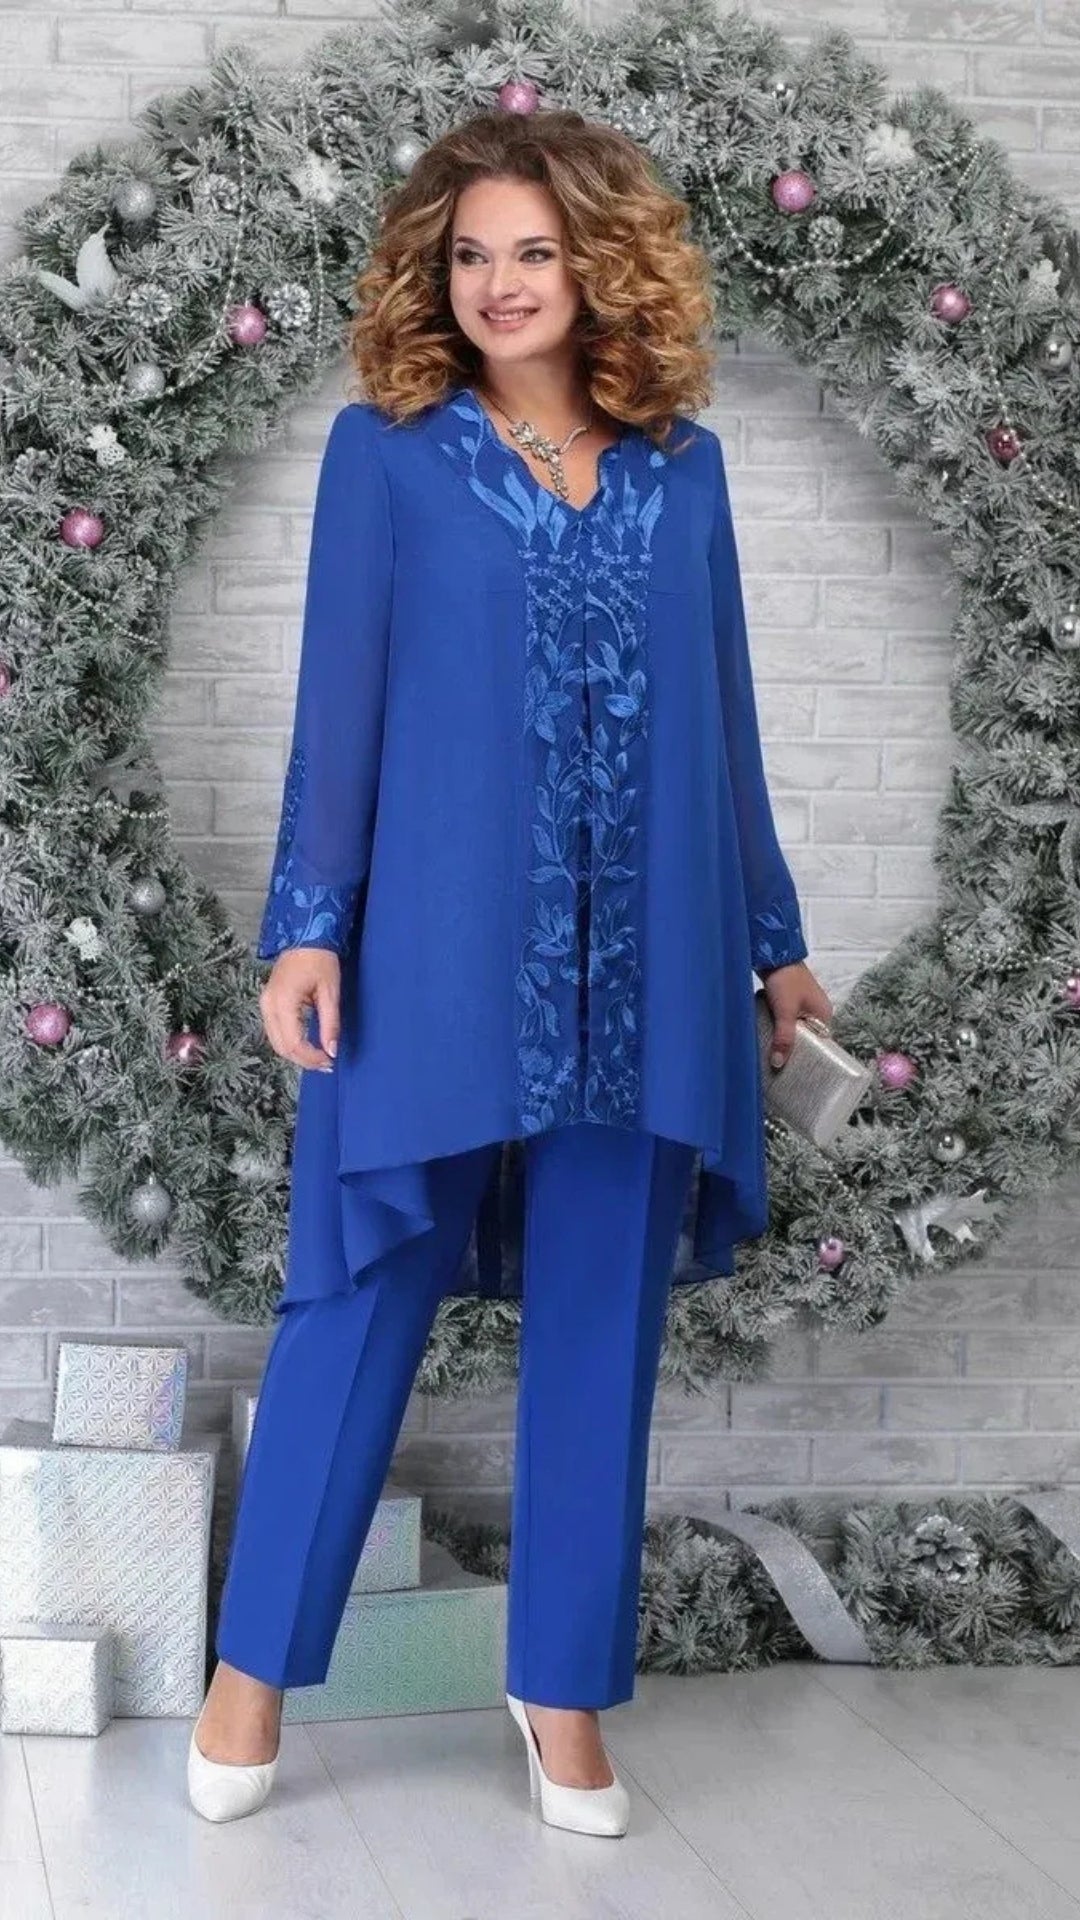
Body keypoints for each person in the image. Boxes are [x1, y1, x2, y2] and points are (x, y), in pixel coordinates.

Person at [187, 106, 834, 1833]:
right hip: (436, 952)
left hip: (657, 959)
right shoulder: (389, 455)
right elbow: (340, 706)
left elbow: (727, 719)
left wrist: (774, 944)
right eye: (471, 255)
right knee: (359, 1286)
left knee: (603, 1322)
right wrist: (308, 924)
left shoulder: (684, 469)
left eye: (533, 252)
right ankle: (251, 1674)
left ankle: (560, 1690)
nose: (499, 284)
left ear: (599, 263)